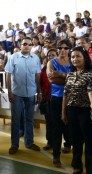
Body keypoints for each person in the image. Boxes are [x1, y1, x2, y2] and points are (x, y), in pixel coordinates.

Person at [5, 37, 42, 154]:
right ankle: (14, 144)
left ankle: (29, 142)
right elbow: (8, 75)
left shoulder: (36, 58)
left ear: (32, 46)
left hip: (31, 93)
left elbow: (37, 76)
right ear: (20, 45)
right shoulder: (13, 58)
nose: (27, 46)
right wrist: (9, 92)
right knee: (15, 120)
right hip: (17, 93)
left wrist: (39, 92)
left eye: (29, 44)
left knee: (29, 119)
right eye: (25, 44)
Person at [62, 47, 92, 174]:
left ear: (85, 57)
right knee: (75, 140)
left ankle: (90, 170)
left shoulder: (90, 74)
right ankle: (77, 165)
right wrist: (63, 112)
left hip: (86, 111)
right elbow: (65, 94)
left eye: (78, 56)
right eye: (73, 57)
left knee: (89, 142)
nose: (75, 59)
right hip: (72, 111)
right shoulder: (70, 74)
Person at [47, 39, 72, 167]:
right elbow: (52, 81)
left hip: (71, 98)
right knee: (56, 127)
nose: (63, 50)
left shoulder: (73, 61)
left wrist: (60, 75)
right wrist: (69, 78)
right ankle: (56, 155)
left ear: (69, 49)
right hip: (56, 98)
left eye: (66, 48)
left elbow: (75, 79)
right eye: (60, 47)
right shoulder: (51, 62)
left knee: (70, 126)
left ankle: (69, 145)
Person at [41, 49, 57, 151]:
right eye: (49, 55)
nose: (51, 56)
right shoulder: (43, 69)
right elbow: (41, 83)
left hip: (58, 98)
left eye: (53, 55)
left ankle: (67, 143)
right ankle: (49, 142)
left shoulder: (60, 68)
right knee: (49, 122)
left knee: (60, 122)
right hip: (47, 98)